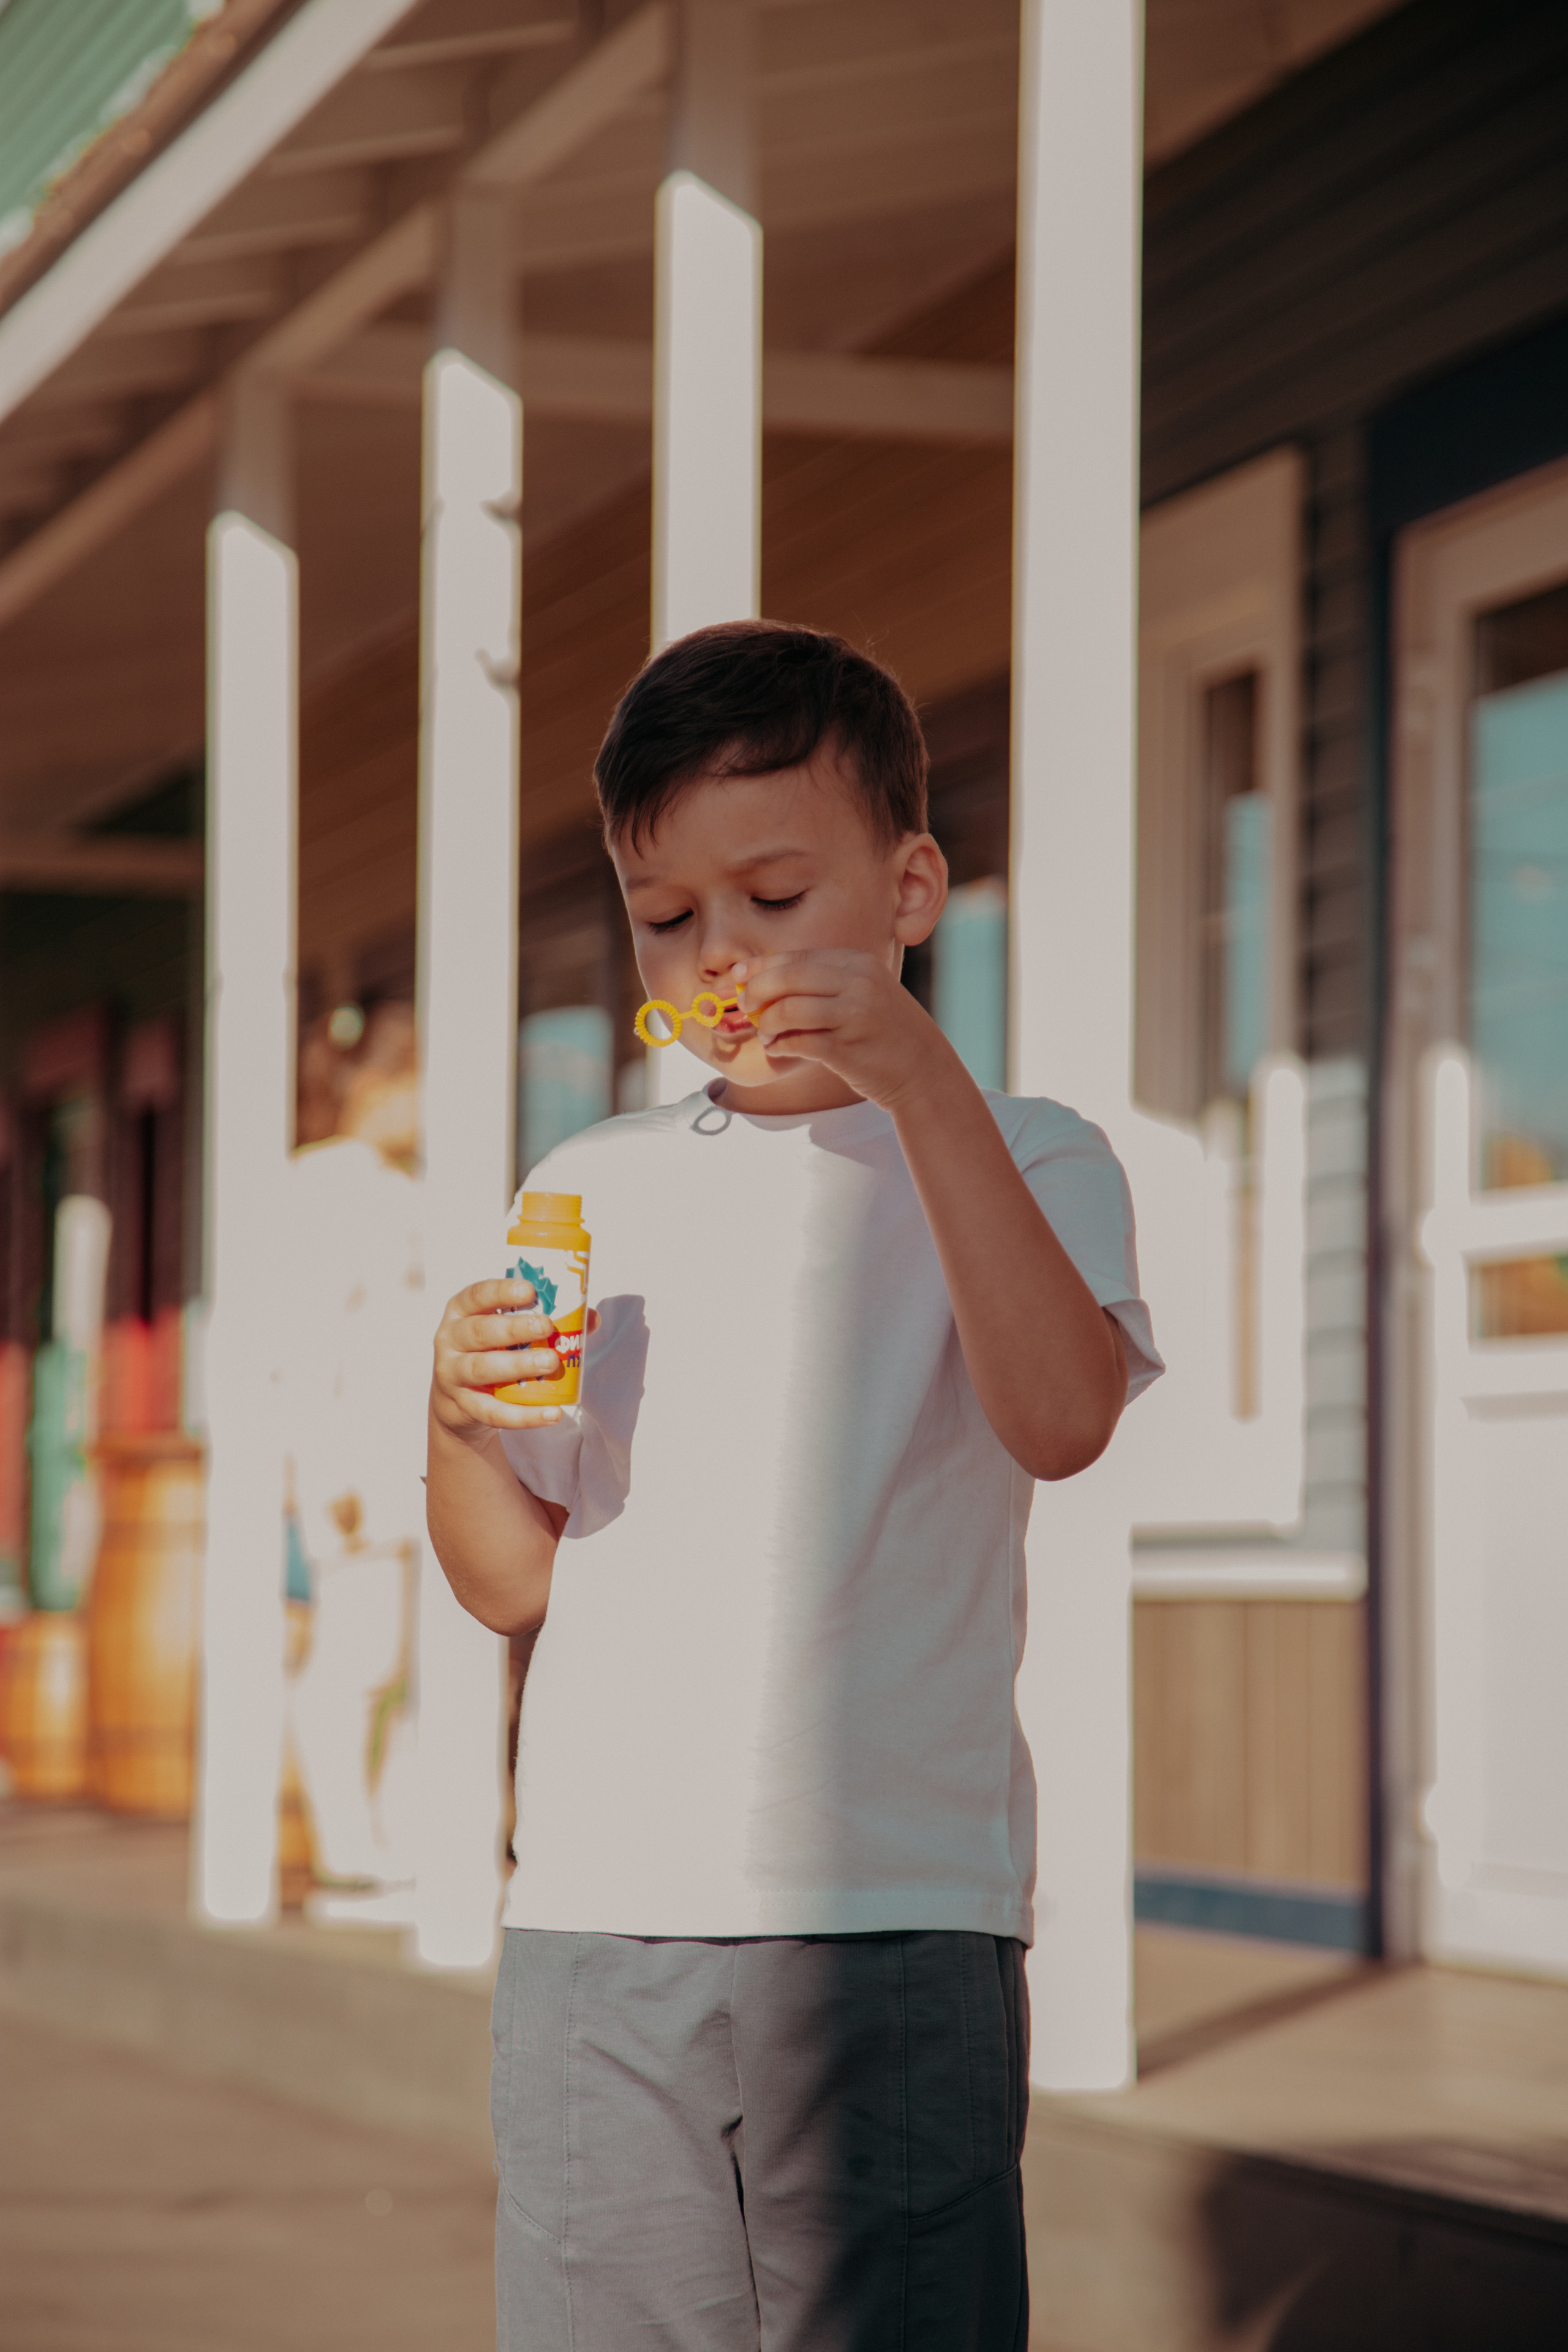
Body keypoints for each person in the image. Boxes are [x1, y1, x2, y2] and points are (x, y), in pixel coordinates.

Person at [426, 622, 1163, 2350]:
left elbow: (1060, 1419)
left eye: (771, 897)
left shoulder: (1031, 1149)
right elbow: (514, 1581)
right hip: (597, 1914)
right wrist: (455, 1423)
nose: (720, 958)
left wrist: (914, 1077)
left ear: (911, 890)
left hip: (888, 1911)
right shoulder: (593, 1181)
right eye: (665, 916)